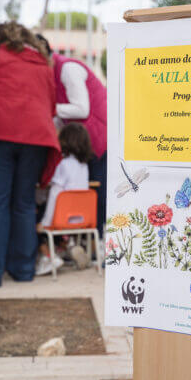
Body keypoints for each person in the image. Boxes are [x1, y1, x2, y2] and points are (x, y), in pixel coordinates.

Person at [0, 22, 60, 287]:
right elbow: (51, 106)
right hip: (35, 138)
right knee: (24, 204)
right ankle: (23, 271)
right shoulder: (42, 64)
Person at [38, 35, 108, 236]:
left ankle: (99, 244)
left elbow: (81, 109)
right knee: (86, 193)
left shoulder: (68, 69)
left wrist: (48, 108)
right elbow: (58, 117)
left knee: (98, 195)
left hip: (98, 139)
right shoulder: (52, 75)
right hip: (83, 142)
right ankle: (85, 241)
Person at [36, 123, 92, 276]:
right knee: (55, 219)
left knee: (32, 219)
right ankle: (69, 244)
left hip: (61, 219)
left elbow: (56, 193)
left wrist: (45, 223)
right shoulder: (84, 166)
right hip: (80, 219)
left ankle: (48, 256)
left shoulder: (62, 165)